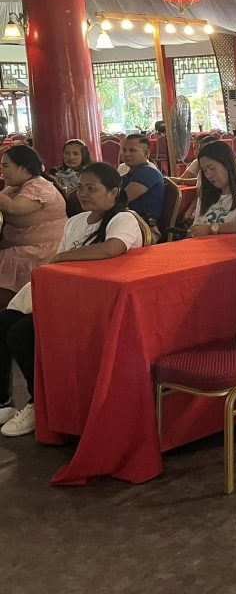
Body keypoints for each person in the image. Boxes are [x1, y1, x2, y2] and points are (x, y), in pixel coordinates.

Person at [0, 162, 144, 436]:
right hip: (65, 295)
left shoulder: (122, 219)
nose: (83, 193)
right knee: (4, 321)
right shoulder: (76, 221)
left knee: (21, 334)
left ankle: (39, 403)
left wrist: (62, 257)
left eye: (92, 188)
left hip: (96, 302)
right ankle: (3, 401)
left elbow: (111, 248)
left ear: (113, 192)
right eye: (80, 187)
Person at [0, 146, 67, 305]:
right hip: (20, 244)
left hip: (43, 249)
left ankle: (10, 308)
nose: (2, 171)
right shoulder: (15, 187)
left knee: (5, 258)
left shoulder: (39, 186)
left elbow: (14, 208)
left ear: (22, 168)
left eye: (5, 166)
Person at [187, 140, 236, 237]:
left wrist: (212, 229)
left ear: (227, 165)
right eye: (204, 170)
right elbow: (196, 227)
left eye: (212, 168)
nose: (208, 175)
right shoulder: (205, 197)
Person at [119, 134, 165, 229]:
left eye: (132, 150)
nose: (126, 154)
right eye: (124, 150)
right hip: (129, 223)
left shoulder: (148, 172)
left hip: (145, 228)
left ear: (146, 153)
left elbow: (121, 200)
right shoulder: (132, 172)